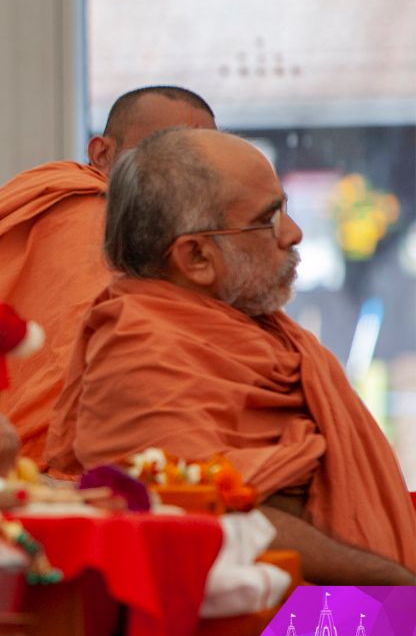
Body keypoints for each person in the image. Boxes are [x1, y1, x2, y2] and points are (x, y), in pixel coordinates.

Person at [45, 128, 416, 582]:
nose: (294, 234)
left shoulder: (260, 326)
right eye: (270, 218)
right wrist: (397, 586)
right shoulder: (141, 352)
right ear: (196, 257)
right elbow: (216, 521)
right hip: (267, 634)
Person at [0, 86, 216, 462]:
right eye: (163, 155)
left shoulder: (178, 238)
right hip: (16, 456)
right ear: (102, 154)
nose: (184, 178)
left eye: (200, 164)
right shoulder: (88, 218)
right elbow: (79, 363)